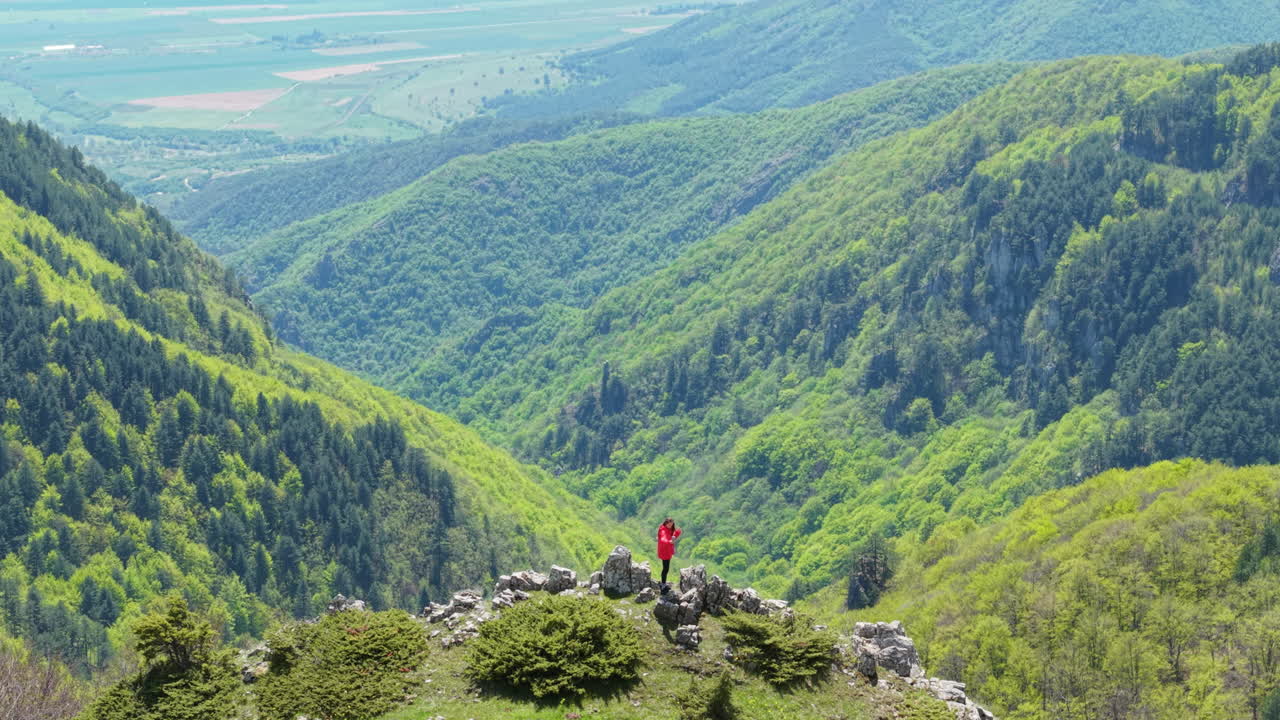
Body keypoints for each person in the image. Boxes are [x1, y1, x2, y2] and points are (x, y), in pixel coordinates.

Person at [657, 518, 681, 592]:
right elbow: (663, 539)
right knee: (665, 568)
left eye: (672, 524)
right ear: (666, 523)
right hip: (664, 551)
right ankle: (663, 584)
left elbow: (678, 531)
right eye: (669, 524)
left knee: (666, 568)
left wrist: (674, 536)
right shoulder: (663, 530)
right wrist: (669, 541)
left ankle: (663, 583)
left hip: (667, 551)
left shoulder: (669, 529)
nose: (670, 525)